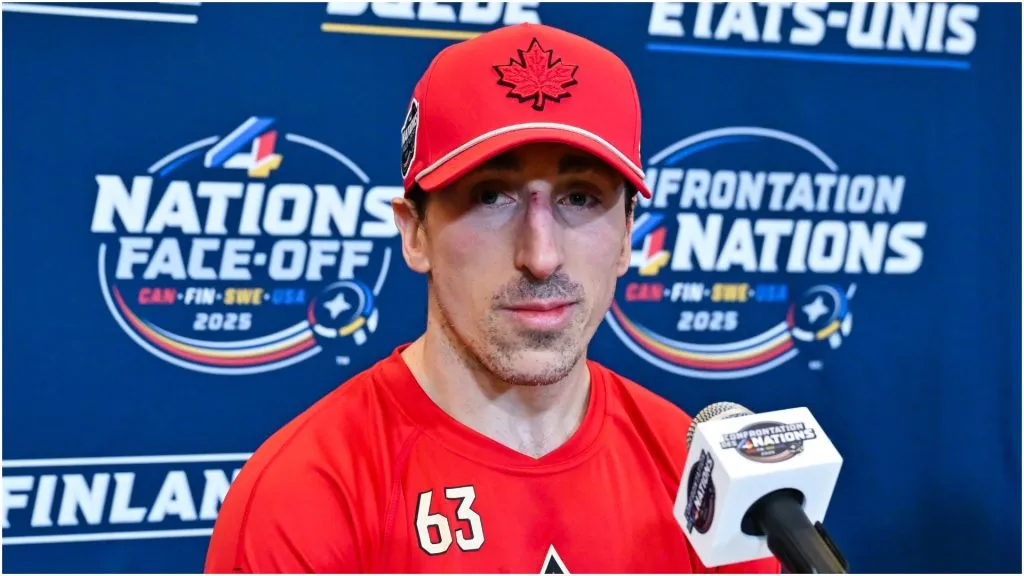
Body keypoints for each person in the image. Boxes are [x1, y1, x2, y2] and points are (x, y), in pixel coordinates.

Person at [205, 22, 781, 574]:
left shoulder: (691, 477)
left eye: (580, 198)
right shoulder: (305, 496)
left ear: (629, 235)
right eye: (490, 197)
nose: (541, 256)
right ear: (415, 232)